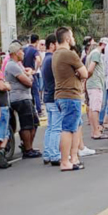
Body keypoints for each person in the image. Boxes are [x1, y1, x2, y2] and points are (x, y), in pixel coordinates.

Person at [53, 27, 88, 171]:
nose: (74, 39)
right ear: (67, 39)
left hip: (61, 95)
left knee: (76, 126)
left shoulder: (56, 54)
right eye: (72, 36)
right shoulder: (69, 54)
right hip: (70, 95)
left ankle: (73, 157)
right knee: (68, 129)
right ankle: (65, 161)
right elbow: (84, 73)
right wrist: (78, 73)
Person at [5, 42, 40, 158]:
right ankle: (28, 149)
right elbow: (28, 82)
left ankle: (27, 146)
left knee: (34, 123)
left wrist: (28, 74)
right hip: (20, 98)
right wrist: (30, 75)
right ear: (15, 53)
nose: (23, 53)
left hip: (25, 97)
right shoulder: (12, 66)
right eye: (21, 51)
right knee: (27, 125)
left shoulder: (18, 65)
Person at [41, 33, 62, 165]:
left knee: (50, 127)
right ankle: (54, 154)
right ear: (52, 45)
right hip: (54, 97)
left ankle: (48, 153)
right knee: (56, 128)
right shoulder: (52, 59)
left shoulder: (46, 59)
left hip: (48, 97)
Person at [86, 37, 108, 139]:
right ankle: (96, 132)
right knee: (96, 108)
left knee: (92, 108)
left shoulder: (92, 53)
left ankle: (94, 131)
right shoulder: (96, 54)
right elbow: (90, 69)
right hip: (95, 83)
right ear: (103, 45)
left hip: (92, 84)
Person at [23, 34, 43, 116]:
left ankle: (30, 110)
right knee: (36, 93)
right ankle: (39, 110)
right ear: (37, 41)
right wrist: (35, 69)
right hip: (31, 73)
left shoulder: (24, 49)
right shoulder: (34, 50)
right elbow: (38, 60)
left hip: (24, 73)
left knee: (28, 93)